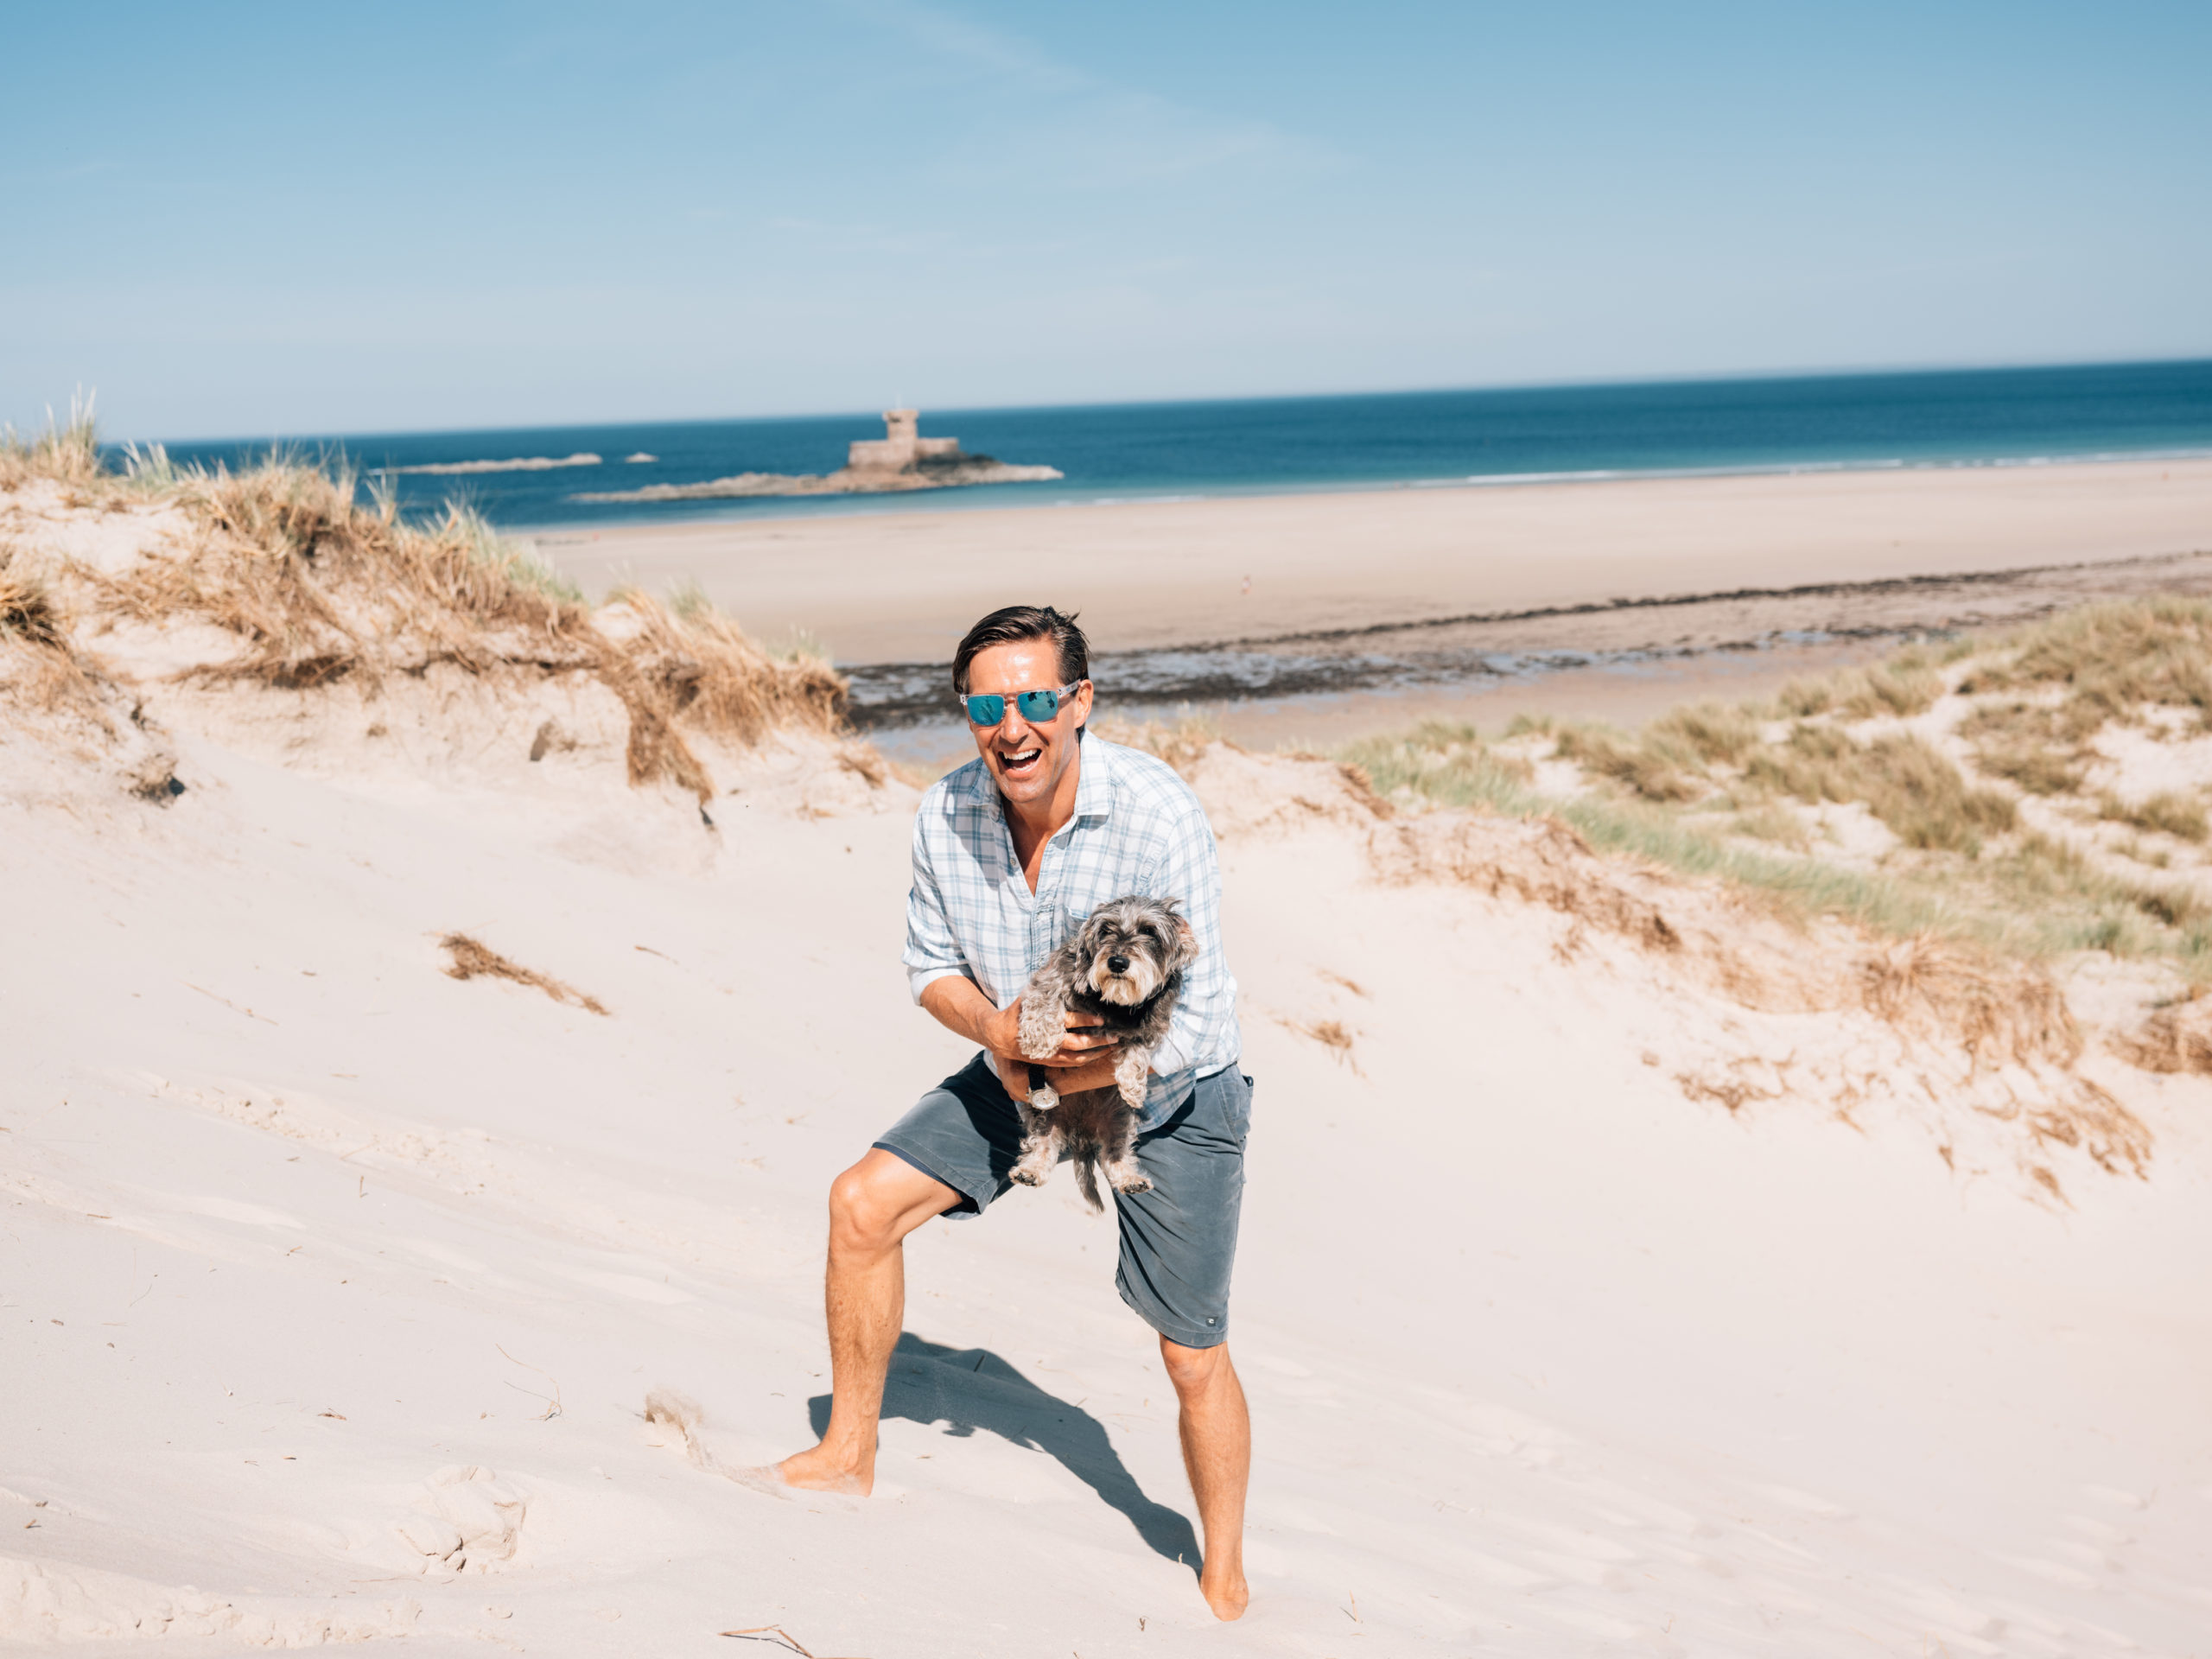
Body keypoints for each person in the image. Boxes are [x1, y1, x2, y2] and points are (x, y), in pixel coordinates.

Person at [774, 604, 1254, 1620]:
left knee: (1190, 1350)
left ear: (1079, 702)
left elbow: (1200, 1021)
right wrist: (999, 1034)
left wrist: (1064, 1072)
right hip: (1014, 1068)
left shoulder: (1156, 811)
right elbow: (929, 968)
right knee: (860, 1207)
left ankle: (1223, 1568)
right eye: (987, 704)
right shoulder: (944, 811)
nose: (1014, 724)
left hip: (1164, 1094)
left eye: (1037, 698)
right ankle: (845, 1453)